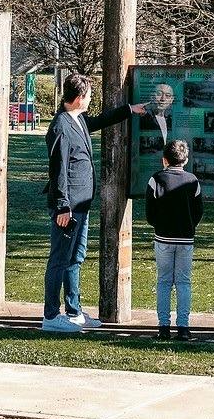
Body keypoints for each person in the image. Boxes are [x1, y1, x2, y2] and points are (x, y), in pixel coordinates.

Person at [42, 72, 147, 333]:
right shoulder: (61, 127)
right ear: (79, 99)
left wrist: (129, 110)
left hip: (82, 205)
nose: (90, 100)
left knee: (75, 258)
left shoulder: (77, 120)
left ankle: (74, 311)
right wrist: (62, 206)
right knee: (59, 260)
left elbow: (99, 121)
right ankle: (51, 316)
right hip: (68, 208)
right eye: (88, 96)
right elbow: (59, 171)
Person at [145, 138, 204, 340]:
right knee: (183, 282)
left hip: (163, 237)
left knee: (163, 281)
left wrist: (160, 225)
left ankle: (163, 327)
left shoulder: (156, 179)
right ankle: (183, 327)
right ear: (185, 160)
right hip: (185, 238)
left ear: (164, 160)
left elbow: (149, 213)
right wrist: (188, 226)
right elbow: (198, 212)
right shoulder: (192, 180)